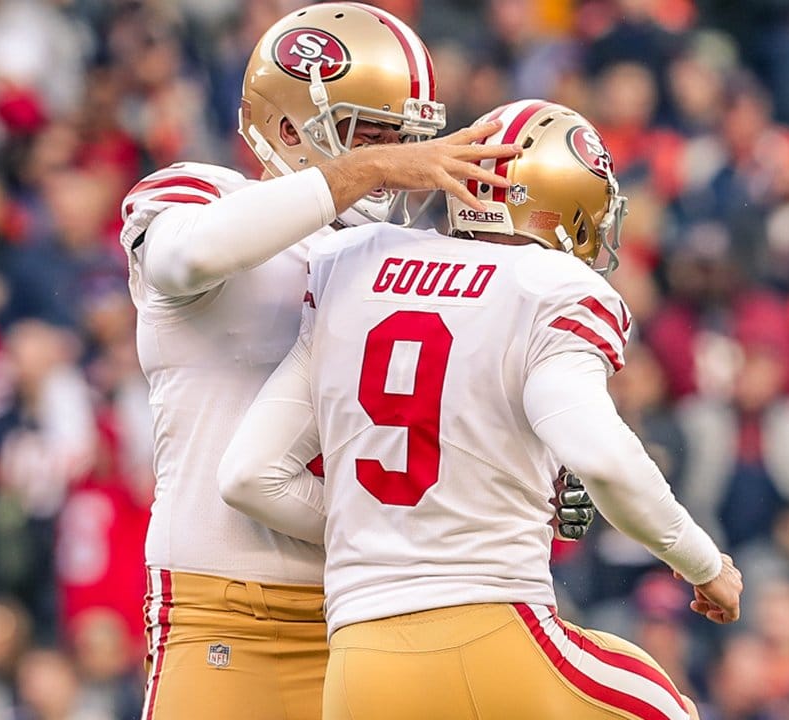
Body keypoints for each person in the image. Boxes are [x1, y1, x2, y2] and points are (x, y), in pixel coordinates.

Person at [118, 5, 591, 719]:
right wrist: (362, 168)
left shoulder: (407, 260)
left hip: (382, 617)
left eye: (412, 142)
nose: (401, 165)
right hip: (223, 611)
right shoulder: (198, 195)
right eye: (371, 135)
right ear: (284, 125)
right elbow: (188, 257)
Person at [218, 100, 743, 719]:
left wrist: (399, 532)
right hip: (495, 636)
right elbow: (599, 453)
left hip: (357, 665)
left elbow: (249, 476)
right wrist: (703, 563)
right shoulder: (549, 285)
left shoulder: (355, 261)